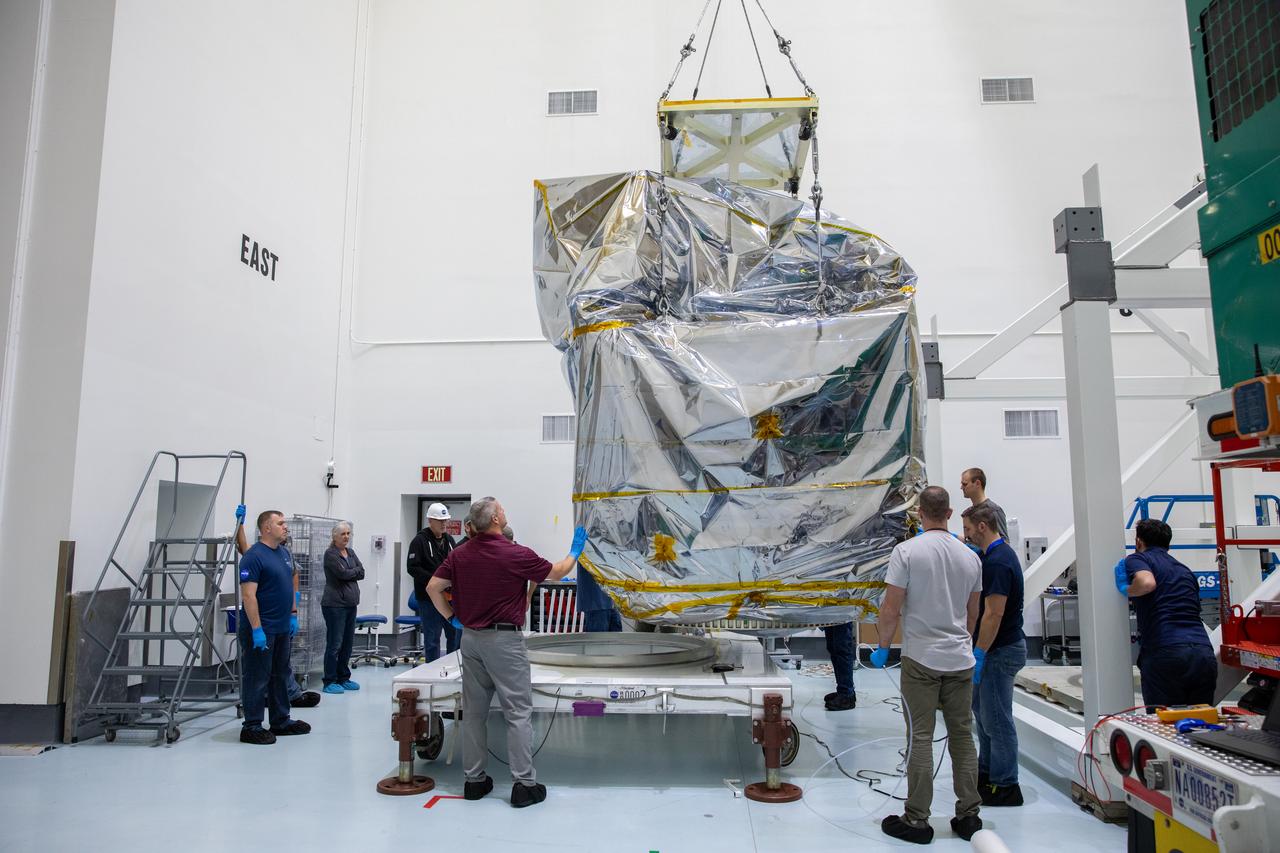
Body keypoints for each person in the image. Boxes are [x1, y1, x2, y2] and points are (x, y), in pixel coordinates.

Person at [426, 498, 586, 808]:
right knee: (517, 712)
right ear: (497, 519)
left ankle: (474, 781)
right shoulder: (515, 554)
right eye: (500, 508)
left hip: (470, 639)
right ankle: (524, 784)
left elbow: (434, 587)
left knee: (473, 713)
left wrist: (451, 617)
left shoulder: (459, 555)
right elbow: (557, 572)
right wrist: (574, 551)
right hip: (504, 642)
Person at [870, 485, 983, 844]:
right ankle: (968, 817)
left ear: (920, 513)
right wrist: (968, 647)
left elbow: (891, 607)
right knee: (963, 737)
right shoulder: (971, 557)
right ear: (950, 513)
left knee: (920, 736)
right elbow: (973, 612)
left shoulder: (906, 552)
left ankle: (917, 819)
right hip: (960, 660)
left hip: (920, 659)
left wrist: (883, 647)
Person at [962, 503, 1027, 807]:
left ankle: (1006, 784)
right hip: (993, 650)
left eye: (968, 530)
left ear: (983, 527)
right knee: (983, 715)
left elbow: (994, 613)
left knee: (997, 719)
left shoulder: (999, 562)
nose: (967, 536)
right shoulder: (990, 557)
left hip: (1000, 651)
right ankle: (987, 772)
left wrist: (980, 653)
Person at [1115, 518, 1217, 707]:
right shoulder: (1184, 570)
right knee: (1199, 724)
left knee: (1164, 727)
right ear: (1168, 544)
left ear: (1139, 542)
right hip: (1203, 654)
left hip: (1165, 652)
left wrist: (1127, 589)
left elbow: (1147, 583)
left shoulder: (1139, 558)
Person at [237, 510, 311, 744]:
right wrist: (256, 629)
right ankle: (252, 725)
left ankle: (280, 720)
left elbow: (290, 584)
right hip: (263, 628)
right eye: (280, 523)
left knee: (280, 674)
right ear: (266, 528)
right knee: (258, 677)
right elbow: (249, 596)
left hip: (281, 627)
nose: (285, 527)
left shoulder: (284, 554)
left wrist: (293, 614)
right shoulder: (253, 556)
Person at [407, 503, 459, 661]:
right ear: (430, 520)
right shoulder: (419, 541)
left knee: (454, 636)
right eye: (440, 520)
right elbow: (413, 568)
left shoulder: (449, 540)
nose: (444, 524)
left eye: (445, 520)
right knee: (432, 639)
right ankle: (431, 672)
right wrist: (437, 582)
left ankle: (452, 669)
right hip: (428, 599)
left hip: (449, 598)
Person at [320, 521, 364, 695]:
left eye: (348, 533)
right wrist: (353, 571)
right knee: (335, 644)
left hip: (350, 604)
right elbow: (342, 574)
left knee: (347, 643)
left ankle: (343, 677)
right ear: (334, 536)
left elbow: (362, 571)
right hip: (334, 605)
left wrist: (350, 572)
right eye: (342, 534)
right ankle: (329, 680)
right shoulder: (330, 554)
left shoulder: (350, 552)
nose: (346, 537)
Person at [960, 468, 1009, 541]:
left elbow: (1004, 543)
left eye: (965, 484)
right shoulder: (968, 513)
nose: (961, 488)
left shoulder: (994, 510)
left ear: (977, 483)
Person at [822, 623, 857, 711]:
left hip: (843, 611)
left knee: (842, 647)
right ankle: (842, 690)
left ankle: (847, 694)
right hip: (831, 611)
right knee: (832, 646)